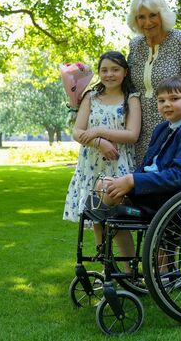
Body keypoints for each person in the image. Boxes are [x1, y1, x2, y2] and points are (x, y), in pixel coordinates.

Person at [63, 51, 141, 255]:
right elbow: (77, 132)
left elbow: (132, 134)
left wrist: (98, 131)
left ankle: (127, 271)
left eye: (115, 69)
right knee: (97, 218)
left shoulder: (131, 99)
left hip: (118, 164)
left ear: (125, 72)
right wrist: (99, 143)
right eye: (104, 70)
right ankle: (104, 268)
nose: (109, 74)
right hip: (92, 164)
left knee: (116, 219)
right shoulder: (91, 97)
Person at [98, 76, 181, 218]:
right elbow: (147, 164)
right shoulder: (161, 129)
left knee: (106, 194)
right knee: (102, 188)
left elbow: (179, 176)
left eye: (174, 99)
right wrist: (130, 180)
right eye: (161, 100)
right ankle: (105, 236)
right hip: (151, 190)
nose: (167, 104)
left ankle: (121, 214)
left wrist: (133, 181)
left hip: (170, 198)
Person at [127, 0, 181, 166]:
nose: (147, 22)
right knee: (144, 180)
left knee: (174, 177)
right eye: (141, 17)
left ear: (162, 14)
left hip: (174, 124)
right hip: (140, 127)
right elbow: (127, 85)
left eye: (152, 15)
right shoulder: (135, 45)